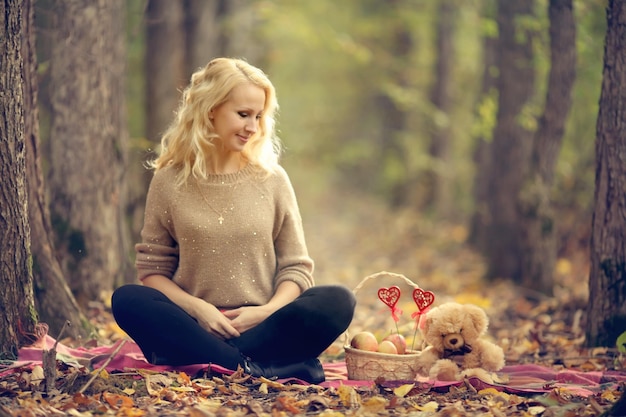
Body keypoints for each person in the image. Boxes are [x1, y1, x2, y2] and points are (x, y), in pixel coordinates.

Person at [111, 57, 356, 384]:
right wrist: (198, 309)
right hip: (193, 326)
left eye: (258, 116)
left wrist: (265, 312)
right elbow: (153, 270)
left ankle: (223, 363)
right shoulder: (169, 181)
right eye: (243, 115)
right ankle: (267, 367)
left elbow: (296, 268)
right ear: (210, 109)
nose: (253, 127)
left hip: (264, 326)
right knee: (128, 300)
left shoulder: (273, 180)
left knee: (338, 300)